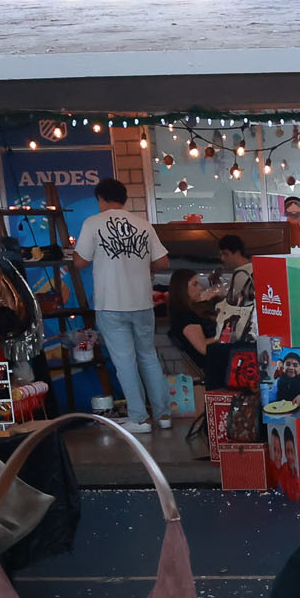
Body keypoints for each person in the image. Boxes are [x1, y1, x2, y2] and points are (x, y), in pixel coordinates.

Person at [71, 177, 172, 433]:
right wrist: (139, 265)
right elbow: (163, 263)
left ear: (100, 198)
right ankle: (163, 415)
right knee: (148, 356)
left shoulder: (93, 223)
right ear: (124, 199)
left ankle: (139, 419)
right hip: (142, 302)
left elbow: (80, 262)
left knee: (125, 361)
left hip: (111, 303)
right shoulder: (143, 224)